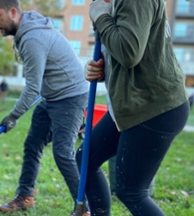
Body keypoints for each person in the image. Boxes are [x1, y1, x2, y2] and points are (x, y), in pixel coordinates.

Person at [76, 0, 190, 215]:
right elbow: (125, 54)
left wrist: (101, 17)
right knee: (86, 158)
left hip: (154, 107)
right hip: (130, 106)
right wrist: (99, 69)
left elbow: (129, 52)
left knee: (131, 191)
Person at [0, 0, 89, 215]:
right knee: (32, 144)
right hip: (51, 96)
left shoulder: (32, 38)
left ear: (12, 12)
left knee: (62, 152)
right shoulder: (26, 31)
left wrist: (13, 116)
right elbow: (38, 85)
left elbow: (32, 87)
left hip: (71, 97)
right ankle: (25, 196)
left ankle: (84, 208)